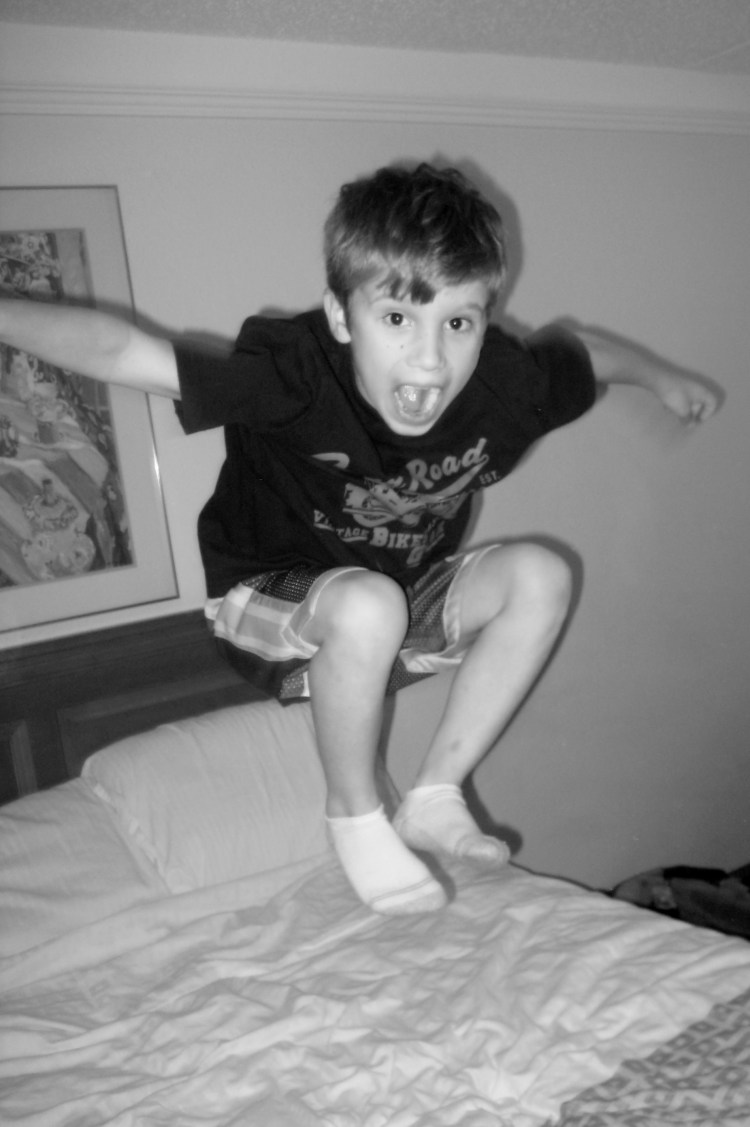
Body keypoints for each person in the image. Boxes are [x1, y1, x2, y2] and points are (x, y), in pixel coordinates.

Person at [0, 162, 719, 915]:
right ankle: (355, 815)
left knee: (540, 573)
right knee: (367, 605)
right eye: (398, 318)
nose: (431, 360)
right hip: (262, 602)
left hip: (393, 612)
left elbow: (583, 354)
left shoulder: (506, 387)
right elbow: (121, 352)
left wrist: (664, 379)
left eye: (459, 323)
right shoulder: (295, 375)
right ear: (342, 317)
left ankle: (434, 796)